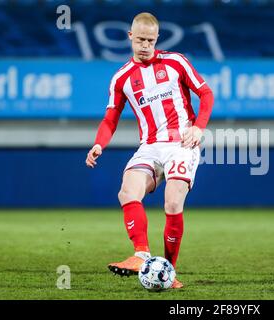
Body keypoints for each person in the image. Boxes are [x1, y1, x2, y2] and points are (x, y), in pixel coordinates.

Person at [85, 12, 214, 288]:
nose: (145, 45)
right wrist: (99, 143)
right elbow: (110, 119)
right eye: (140, 39)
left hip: (182, 143)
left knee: (172, 203)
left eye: (150, 40)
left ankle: (170, 271)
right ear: (130, 37)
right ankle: (141, 254)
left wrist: (199, 127)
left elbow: (206, 93)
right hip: (150, 147)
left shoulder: (176, 62)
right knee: (127, 191)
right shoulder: (121, 78)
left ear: (157, 39)